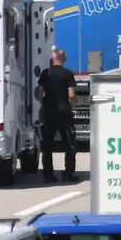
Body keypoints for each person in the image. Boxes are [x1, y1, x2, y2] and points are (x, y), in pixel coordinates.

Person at [37, 49, 78, 182]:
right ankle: (68, 174)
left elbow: (40, 91)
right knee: (70, 144)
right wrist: (71, 107)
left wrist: (43, 103)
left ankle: (48, 175)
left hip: (49, 112)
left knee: (47, 145)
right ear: (64, 59)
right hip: (64, 112)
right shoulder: (68, 74)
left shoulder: (45, 73)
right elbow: (71, 94)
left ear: (52, 58)